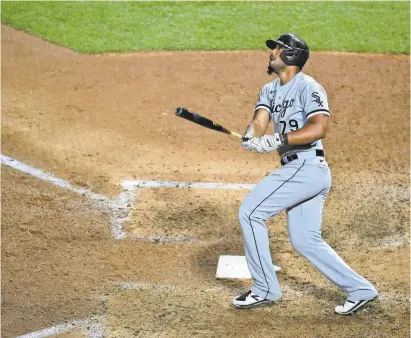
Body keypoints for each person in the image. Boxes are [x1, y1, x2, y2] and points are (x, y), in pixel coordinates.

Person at [232, 33, 378, 315]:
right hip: (298, 169)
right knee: (304, 239)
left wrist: (277, 140)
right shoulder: (269, 90)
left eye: (276, 49)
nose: (271, 53)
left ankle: (264, 289)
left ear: (290, 56)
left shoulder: (308, 87)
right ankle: (360, 289)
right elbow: (259, 123)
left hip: (307, 166)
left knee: (250, 213)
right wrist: (251, 137)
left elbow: (319, 128)